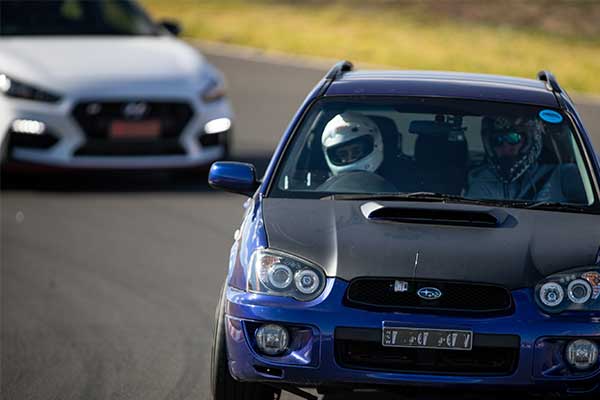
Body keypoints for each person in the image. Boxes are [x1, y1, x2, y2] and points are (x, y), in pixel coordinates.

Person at [466, 115, 566, 202]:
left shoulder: (560, 175)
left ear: (529, 141)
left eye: (513, 138)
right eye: (497, 140)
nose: (506, 148)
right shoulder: (482, 182)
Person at [318, 112, 396, 192]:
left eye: (356, 151)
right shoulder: (321, 190)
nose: (350, 158)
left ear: (375, 144)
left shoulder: (400, 180)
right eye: (343, 154)